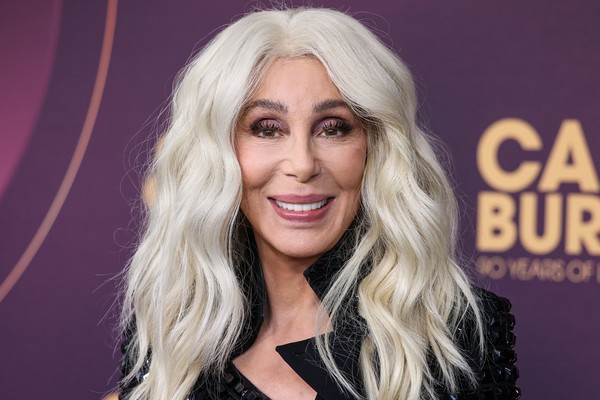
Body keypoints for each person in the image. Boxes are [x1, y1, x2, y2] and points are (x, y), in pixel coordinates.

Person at [118, 7, 520, 400]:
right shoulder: (173, 333)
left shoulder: (454, 335)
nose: (303, 164)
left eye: (333, 129)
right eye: (267, 129)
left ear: (375, 149)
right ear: (219, 153)